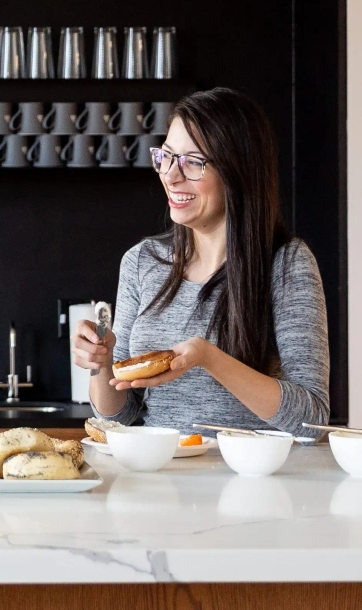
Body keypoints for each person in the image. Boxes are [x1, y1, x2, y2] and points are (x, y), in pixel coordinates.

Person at [70, 87, 331, 433]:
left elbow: (311, 419)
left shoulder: (287, 265)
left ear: (238, 172)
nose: (170, 175)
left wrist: (208, 358)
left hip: (245, 468)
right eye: (166, 156)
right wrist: (100, 363)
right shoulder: (142, 262)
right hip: (161, 466)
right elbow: (118, 415)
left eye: (193, 162)